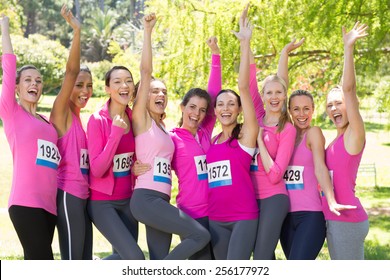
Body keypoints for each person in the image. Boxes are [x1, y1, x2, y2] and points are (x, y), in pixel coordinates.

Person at [130, 13, 210, 260]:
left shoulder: (165, 129)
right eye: (154, 91)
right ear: (144, 96)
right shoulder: (141, 120)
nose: (160, 94)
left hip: (162, 199)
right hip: (146, 198)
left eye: (164, 91)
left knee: (158, 256)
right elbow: (145, 72)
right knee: (200, 236)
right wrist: (147, 32)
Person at [0, 14, 59, 259]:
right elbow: (9, 67)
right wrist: (4, 27)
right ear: (17, 88)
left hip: (50, 206)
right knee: (42, 261)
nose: (34, 83)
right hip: (25, 203)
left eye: (38, 80)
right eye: (27, 80)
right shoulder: (11, 112)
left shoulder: (49, 124)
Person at [205, 5, 259, 260]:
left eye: (231, 104)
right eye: (221, 104)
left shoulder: (246, 137)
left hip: (243, 218)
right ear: (214, 110)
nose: (225, 108)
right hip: (215, 219)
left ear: (239, 110)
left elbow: (244, 87)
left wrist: (245, 44)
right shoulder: (211, 141)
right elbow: (211, 91)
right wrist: (215, 56)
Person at [281, 89, 356, 260]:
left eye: (306, 108)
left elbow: (320, 167)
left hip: (310, 216)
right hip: (285, 218)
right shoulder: (287, 135)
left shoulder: (313, 132)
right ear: (289, 110)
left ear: (313, 109)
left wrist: (331, 200)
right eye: (296, 109)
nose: (301, 114)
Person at [169, 36, 221, 260]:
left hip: (218, 210)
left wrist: (215, 55)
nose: (196, 114)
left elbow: (213, 93)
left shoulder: (205, 131)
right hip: (191, 213)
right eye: (192, 107)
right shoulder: (170, 138)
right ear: (182, 107)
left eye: (201, 110)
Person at [248, 33, 299, 260]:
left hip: (273, 197)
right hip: (250, 196)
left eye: (279, 92)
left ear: (285, 95)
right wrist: (246, 41)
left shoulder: (287, 128)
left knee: (261, 256)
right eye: (269, 92)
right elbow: (249, 79)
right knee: (260, 255)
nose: (274, 96)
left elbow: (277, 174)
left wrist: (260, 141)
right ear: (263, 96)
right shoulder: (257, 116)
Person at [49, 5, 93, 260]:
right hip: (67, 195)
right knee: (73, 263)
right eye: (79, 86)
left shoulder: (80, 121)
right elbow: (71, 71)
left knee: (84, 262)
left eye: (89, 86)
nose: (85, 91)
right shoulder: (61, 112)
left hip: (83, 198)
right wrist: (77, 31)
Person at [322, 22, 369, 260]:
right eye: (329, 105)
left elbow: (349, 89)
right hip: (334, 218)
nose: (333, 108)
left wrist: (348, 48)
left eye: (338, 103)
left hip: (347, 220)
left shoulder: (354, 134)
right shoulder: (334, 141)